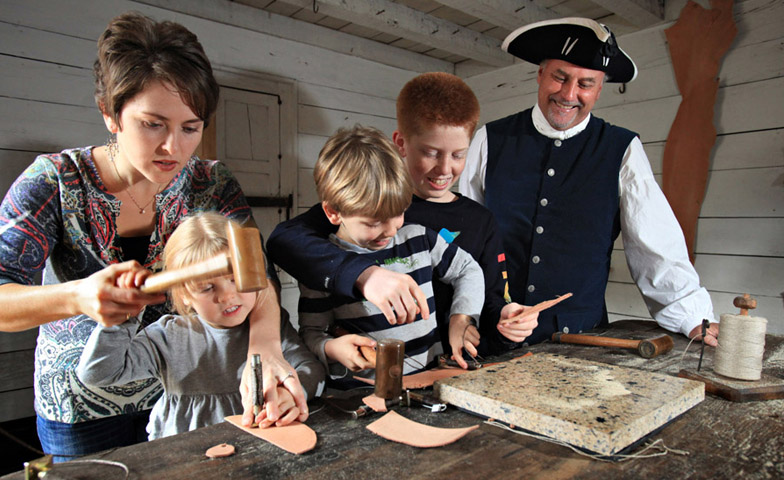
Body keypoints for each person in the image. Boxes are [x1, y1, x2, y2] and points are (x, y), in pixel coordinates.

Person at [0, 12, 304, 459]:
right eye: (153, 124)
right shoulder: (55, 181)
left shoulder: (210, 184)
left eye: (190, 128)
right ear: (111, 114)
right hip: (81, 408)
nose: (174, 147)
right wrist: (78, 297)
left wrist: (266, 348)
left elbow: (258, 276)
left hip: (183, 397)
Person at [459, 17, 718, 347]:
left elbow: (656, 245)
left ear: (599, 90)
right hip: (494, 335)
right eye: (560, 77)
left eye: (585, 83)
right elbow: (467, 245)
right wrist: (463, 316)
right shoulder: (490, 140)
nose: (569, 94)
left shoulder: (621, 150)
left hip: (583, 341)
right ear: (540, 75)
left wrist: (694, 317)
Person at [268, 73, 538, 359]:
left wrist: (505, 319)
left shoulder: (480, 221)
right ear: (401, 143)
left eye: (458, 155)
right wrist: (364, 275)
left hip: (444, 366)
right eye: (431, 152)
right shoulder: (367, 202)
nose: (445, 169)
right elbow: (283, 242)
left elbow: (491, 296)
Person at [76, 213, 324, 439]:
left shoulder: (272, 327)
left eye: (235, 280)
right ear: (184, 295)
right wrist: (122, 320)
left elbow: (311, 370)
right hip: (183, 452)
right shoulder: (169, 336)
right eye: (207, 288)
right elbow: (98, 374)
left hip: (254, 445)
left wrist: (290, 393)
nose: (227, 297)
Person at [294, 125, 485, 384]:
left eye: (398, 213)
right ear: (333, 212)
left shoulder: (419, 237)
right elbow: (312, 333)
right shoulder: (323, 267)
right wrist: (332, 348)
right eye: (373, 223)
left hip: (431, 383)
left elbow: (467, 270)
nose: (390, 230)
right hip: (365, 393)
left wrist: (462, 319)